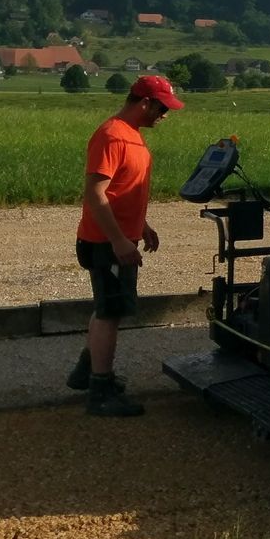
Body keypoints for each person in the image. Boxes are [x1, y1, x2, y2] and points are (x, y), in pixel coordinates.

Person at [67, 73, 183, 416]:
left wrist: (140, 224)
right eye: (162, 107)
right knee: (110, 313)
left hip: (114, 237)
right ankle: (100, 391)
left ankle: (88, 371)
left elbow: (120, 192)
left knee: (106, 307)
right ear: (144, 103)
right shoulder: (113, 136)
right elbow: (95, 193)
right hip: (106, 242)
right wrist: (119, 239)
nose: (166, 114)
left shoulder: (129, 135)